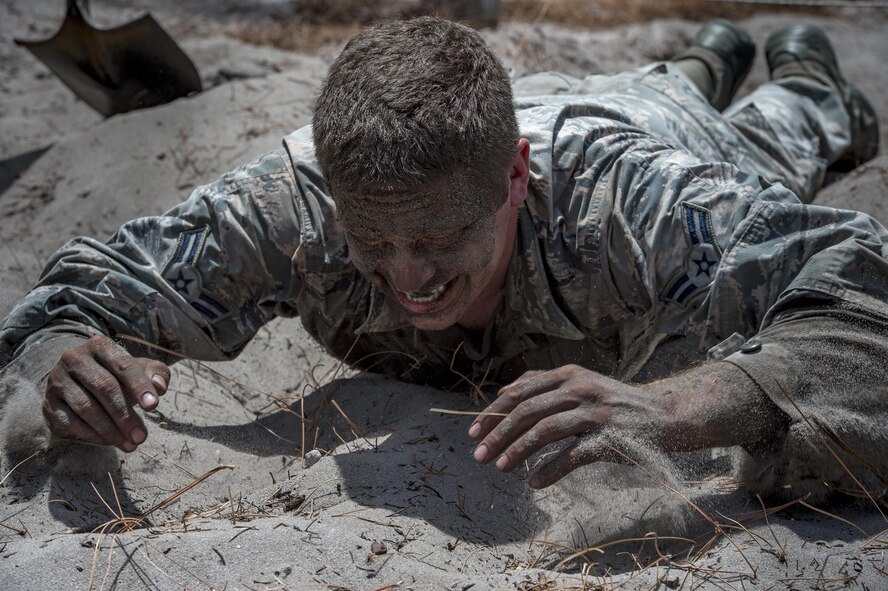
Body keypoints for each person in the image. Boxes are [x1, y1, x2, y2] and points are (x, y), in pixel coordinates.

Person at [1, 17, 885, 501]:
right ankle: (703, 55)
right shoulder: (294, 204)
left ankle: (792, 81)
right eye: (373, 241)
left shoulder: (635, 203)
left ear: (514, 179)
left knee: (777, 133)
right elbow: (81, 293)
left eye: (438, 240)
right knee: (663, 80)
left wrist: (677, 404)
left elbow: (858, 286)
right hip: (521, 114)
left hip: (642, 131)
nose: (409, 277)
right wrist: (66, 362)